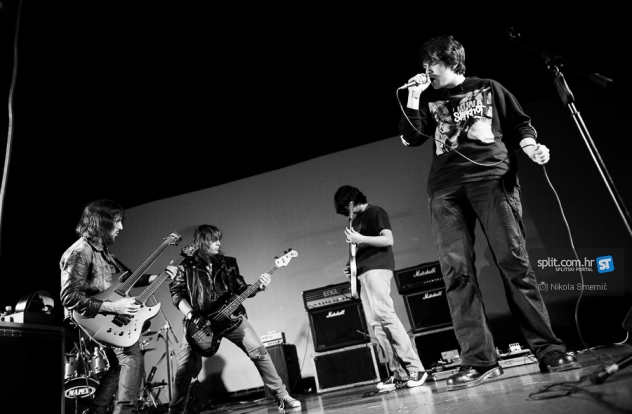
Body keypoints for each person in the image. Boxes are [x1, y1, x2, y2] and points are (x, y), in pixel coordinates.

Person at [399, 35, 581, 391]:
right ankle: (479, 361)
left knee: (515, 265)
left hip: (491, 179)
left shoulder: (488, 87)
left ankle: (548, 350)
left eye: (433, 63)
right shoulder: (425, 97)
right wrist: (413, 96)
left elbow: (520, 125)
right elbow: (411, 137)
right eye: (424, 64)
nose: (427, 70)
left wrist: (531, 147)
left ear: (452, 61)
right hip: (445, 190)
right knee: (456, 274)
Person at [60, 199, 177, 414]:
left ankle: (96, 411)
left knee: (117, 366)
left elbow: (128, 279)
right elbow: (69, 297)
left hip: (107, 318)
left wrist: (159, 277)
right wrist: (114, 308)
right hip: (96, 318)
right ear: (101, 222)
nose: (121, 227)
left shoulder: (103, 252)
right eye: (117, 221)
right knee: (131, 357)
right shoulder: (80, 252)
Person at [168, 224, 302, 413]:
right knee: (184, 369)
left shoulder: (228, 263)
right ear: (203, 241)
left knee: (260, 353)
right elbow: (177, 294)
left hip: (232, 317)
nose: (219, 243)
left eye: (219, 239)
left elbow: (241, 288)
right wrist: (192, 315)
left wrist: (259, 286)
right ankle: (175, 411)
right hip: (200, 324)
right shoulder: (186, 266)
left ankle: (282, 395)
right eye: (214, 240)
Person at [334, 185, 428, 390]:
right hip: (363, 273)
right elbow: (361, 249)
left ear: (351, 201)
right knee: (376, 324)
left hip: (377, 269)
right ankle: (399, 372)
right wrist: (351, 267)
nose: (347, 214)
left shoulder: (375, 211)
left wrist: (361, 239)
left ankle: (416, 368)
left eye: (346, 208)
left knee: (386, 316)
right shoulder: (356, 221)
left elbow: (388, 239)